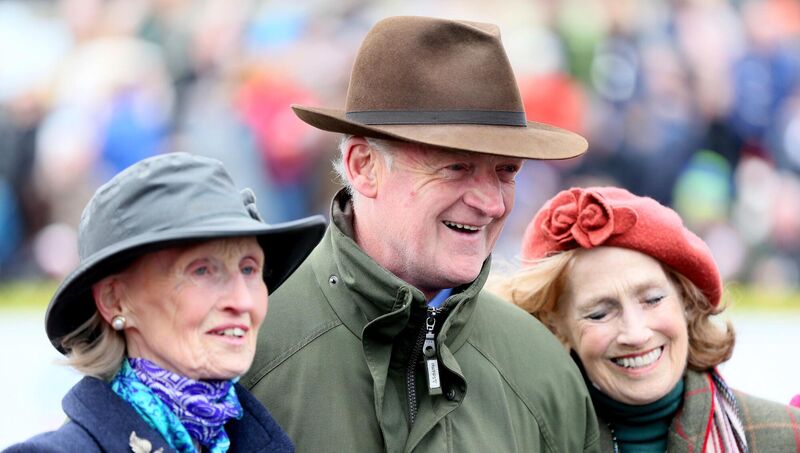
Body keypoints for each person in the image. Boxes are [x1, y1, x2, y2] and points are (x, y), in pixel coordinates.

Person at [242, 16, 600, 452]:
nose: (492, 204)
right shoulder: (247, 350)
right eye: (456, 168)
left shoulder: (544, 372)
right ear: (363, 166)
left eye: (506, 171)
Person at [5, 153, 325, 452]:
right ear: (115, 300)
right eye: (201, 270)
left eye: (249, 269)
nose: (242, 300)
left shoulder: (267, 435)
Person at [491, 186, 800, 452]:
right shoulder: (514, 441)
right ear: (557, 328)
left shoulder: (786, 436)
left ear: (685, 299)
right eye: (600, 313)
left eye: (653, 299)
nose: (636, 333)